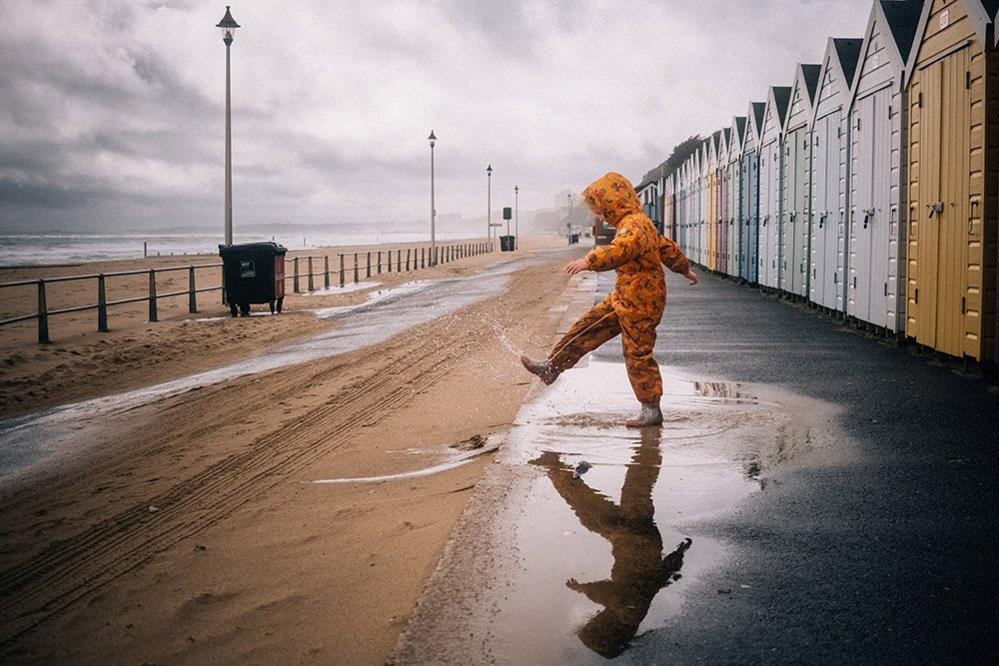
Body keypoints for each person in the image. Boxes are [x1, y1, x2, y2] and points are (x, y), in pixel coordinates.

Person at [521, 172, 697, 427]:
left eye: (602, 212)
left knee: (637, 352)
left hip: (642, 302)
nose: (601, 218)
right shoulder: (637, 222)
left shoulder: (634, 226)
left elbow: (620, 250)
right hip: (625, 296)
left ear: (614, 204)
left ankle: (650, 408)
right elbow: (667, 247)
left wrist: (588, 261)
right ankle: (551, 366)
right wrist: (684, 269)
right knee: (588, 326)